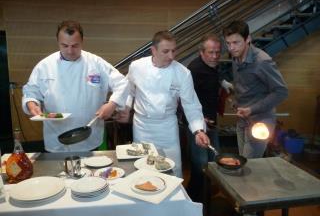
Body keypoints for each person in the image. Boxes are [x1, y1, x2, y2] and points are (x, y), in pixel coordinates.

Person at [22, 20, 129, 152]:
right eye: (65, 45)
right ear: (58, 42)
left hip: (89, 135)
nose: (70, 51)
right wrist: (31, 104)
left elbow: (122, 83)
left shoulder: (96, 63)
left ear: (82, 42)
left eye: (75, 46)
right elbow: (31, 91)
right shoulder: (45, 66)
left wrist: (112, 104)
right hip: (56, 137)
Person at [117, 30, 210, 177]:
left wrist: (198, 130)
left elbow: (191, 104)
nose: (171, 56)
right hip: (143, 127)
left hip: (167, 128)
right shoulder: (137, 66)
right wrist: (127, 108)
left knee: (172, 170)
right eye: (166, 51)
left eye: (174, 51)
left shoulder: (182, 73)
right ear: (153, 50)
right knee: (143, 170)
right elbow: (129, 90)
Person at [223, 20, 288, 158]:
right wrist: (236, 99)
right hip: (242, 120)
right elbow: (246, 85)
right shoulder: (235, 58)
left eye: (236, 42)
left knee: (249, 166)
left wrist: (251, 109)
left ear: (248, 39)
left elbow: (281, 92)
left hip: (260, 122)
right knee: (242, 161)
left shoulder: (262, 61)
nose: (231, 48)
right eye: (228, 43)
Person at [186, 33, 233, 202]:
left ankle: (206, 197)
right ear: (201, 52)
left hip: (212, 123)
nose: (215, 56)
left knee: (214, 162)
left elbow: (214, 74)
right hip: (197, 126)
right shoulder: (193, 71)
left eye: (218, 52)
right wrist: (198, 121)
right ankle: (192, 202)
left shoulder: (212, 65)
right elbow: (182, 102)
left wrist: (223, 83)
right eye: (211, 52)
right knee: (200, 167)